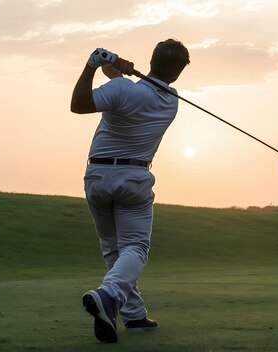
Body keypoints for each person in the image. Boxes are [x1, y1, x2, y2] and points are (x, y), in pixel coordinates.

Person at [70, 39, 190, 343]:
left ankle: (132, 314)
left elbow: (79, 104)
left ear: (151, 60)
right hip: (134, 177)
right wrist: (115, 69)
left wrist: (92, 65)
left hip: (97, 175)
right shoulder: (171, 99)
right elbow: (129, 90)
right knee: (135, 248)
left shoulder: (123, 89)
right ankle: (110, 296)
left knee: (114, 249)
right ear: (177, 74)